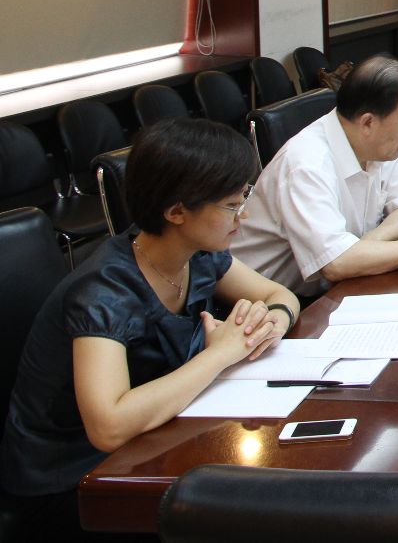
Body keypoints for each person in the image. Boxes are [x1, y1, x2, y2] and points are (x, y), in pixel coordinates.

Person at [1, 119, 298, 537]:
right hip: (73, 476)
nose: (243, 214)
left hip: (158, 431)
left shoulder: (196, 252)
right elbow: (109, 427)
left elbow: (279, 295)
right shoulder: (103, 292)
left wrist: (270, 324)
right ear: (176, 212)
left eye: (243, 197)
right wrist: (220, 354)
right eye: (232, 205)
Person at [233, 56, 398, 297]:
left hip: (341, 284)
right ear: (368, 122)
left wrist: (365, 246)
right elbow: (336, 264)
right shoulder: (306, 163)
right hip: (268, 301)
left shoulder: (382, 143)